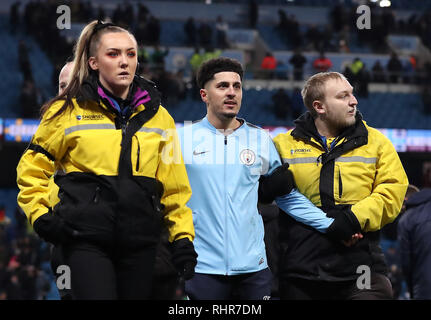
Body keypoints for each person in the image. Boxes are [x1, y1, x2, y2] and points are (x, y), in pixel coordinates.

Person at [16, 20, 197, 300]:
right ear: (93, 63)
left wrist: (182, 238)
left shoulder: (161, 118)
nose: (124, 62)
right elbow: (31, 169)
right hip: (84, 239)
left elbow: (175, 188)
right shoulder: (66, 111)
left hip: (141, 242)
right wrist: (40, 216)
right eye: (113, 54)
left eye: (131, 54)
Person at [177, 58, 360, 300]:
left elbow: (287, 197)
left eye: (237, 86)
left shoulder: (260, 139)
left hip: (254, 268)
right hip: (201, 267)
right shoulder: (181, 140)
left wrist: (332, 225)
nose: (231, 92)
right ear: (204, 94)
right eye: (222, 86)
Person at [273, 71, 409, 300]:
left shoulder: (377, 142)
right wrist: (266, 190)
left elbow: (392, 190)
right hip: (302, 269)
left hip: (361, 267)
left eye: (352, 95)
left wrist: (352, 219)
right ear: (319, 107)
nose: (353, 101)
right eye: (343, 96)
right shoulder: (281, 146)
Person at [397, 188, 431, 299]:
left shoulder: (407, 219)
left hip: (424, 286)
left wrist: (411, 289)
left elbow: (406, 263)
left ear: (405, 200)